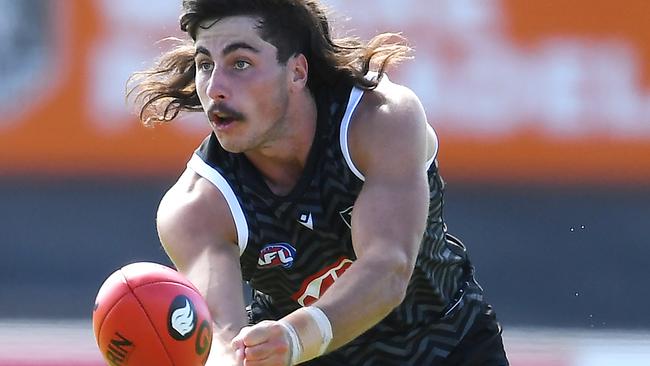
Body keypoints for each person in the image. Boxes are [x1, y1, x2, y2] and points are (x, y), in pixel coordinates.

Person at [128, 0, 509, 365]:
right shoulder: (197, 206)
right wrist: (240, 357)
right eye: (205, 65)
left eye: (240, 63)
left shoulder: (379, 120)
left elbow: (388, 268)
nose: (215, 88)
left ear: (297, 72)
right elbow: (224, 340)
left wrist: (293, 339)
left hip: (452, 347)